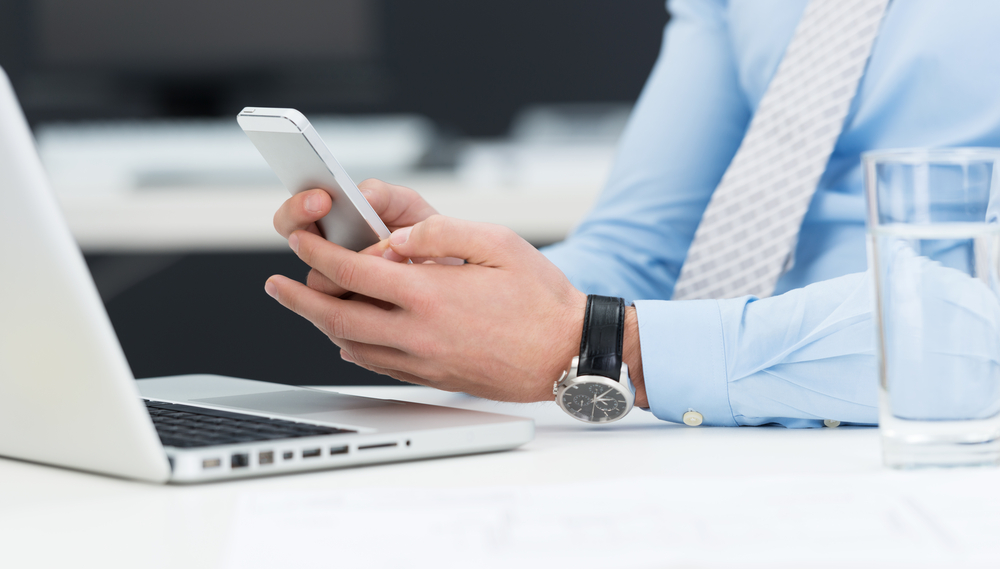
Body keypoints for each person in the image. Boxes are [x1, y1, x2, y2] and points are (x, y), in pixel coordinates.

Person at [263, 0, 1000, 428]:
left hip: (935, 450)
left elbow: (980, 325)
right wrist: (469, 289)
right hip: (725, 445)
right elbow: (642, 244)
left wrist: (603, 343)